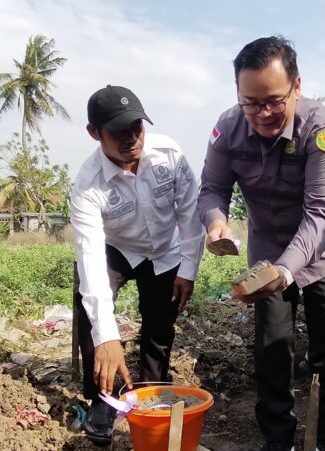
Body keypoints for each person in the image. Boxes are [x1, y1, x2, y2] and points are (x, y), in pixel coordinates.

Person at [198, 36, 325, 451]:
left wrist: (286, 272)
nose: (262, 113)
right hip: (267, 250)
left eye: (273, 101)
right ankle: (278, 440)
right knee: (271, 351)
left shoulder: (322, 129)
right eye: (251, 102)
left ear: (297, 86)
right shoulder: (228, 128)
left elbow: (322, 212)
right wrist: (216, 225)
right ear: (238, 94)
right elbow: (211, 188)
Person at [70, 85, 203, 446]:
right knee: (90, 308)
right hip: (117, 248)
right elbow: (91, 257)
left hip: (163, 249)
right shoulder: (87, 186)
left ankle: (149, 392)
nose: (131, 139)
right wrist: (107, 337)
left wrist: (188, 270)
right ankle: (102, 398)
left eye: (137, 128)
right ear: (94, 132)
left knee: (159, 325)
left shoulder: (169, 155)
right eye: (118, 132)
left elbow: (190, 215)